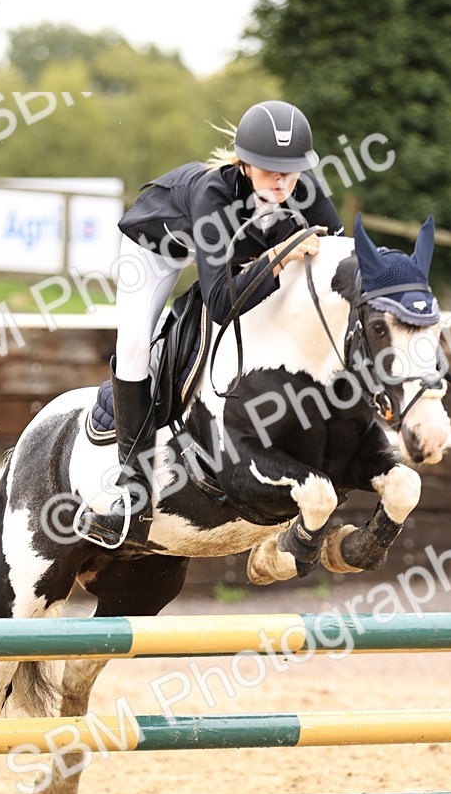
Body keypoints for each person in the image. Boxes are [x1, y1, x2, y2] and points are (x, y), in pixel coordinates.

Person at [78, 99, 344, 549]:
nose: (282, 182)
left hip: (226, 252)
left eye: (291, 172)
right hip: (156, 252)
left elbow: (338, 253)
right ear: (245, 164)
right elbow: (220, 302)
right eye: (269, 171)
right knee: (137, 346)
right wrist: (279, 256)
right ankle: (130, 491)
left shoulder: (303, 186)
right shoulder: (213, 195)